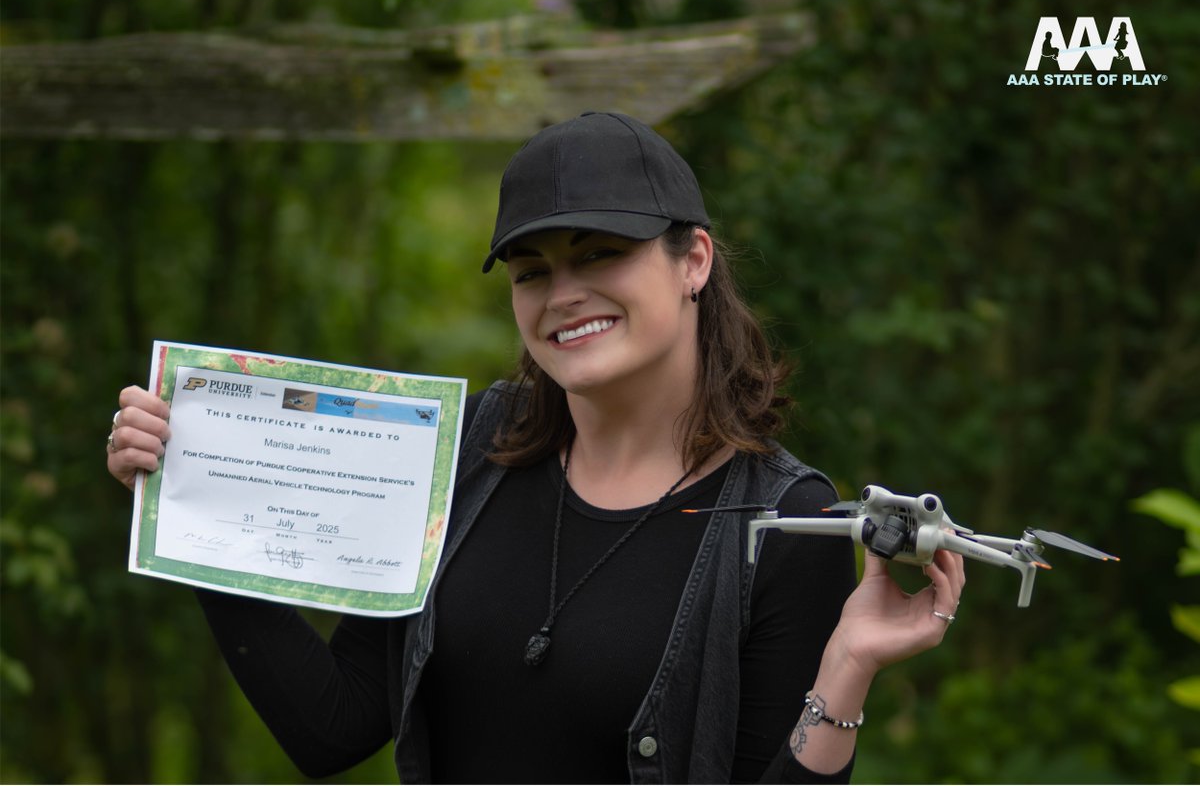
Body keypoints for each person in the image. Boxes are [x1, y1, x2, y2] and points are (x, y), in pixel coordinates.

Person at [107, 111, 964, 783]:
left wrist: (847, 666)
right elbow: (333, 728)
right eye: (532, 271)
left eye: (602, 254)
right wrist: (191, 505)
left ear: (693, 259)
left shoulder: (783, 523)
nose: (565, 293)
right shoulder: (467, 455)